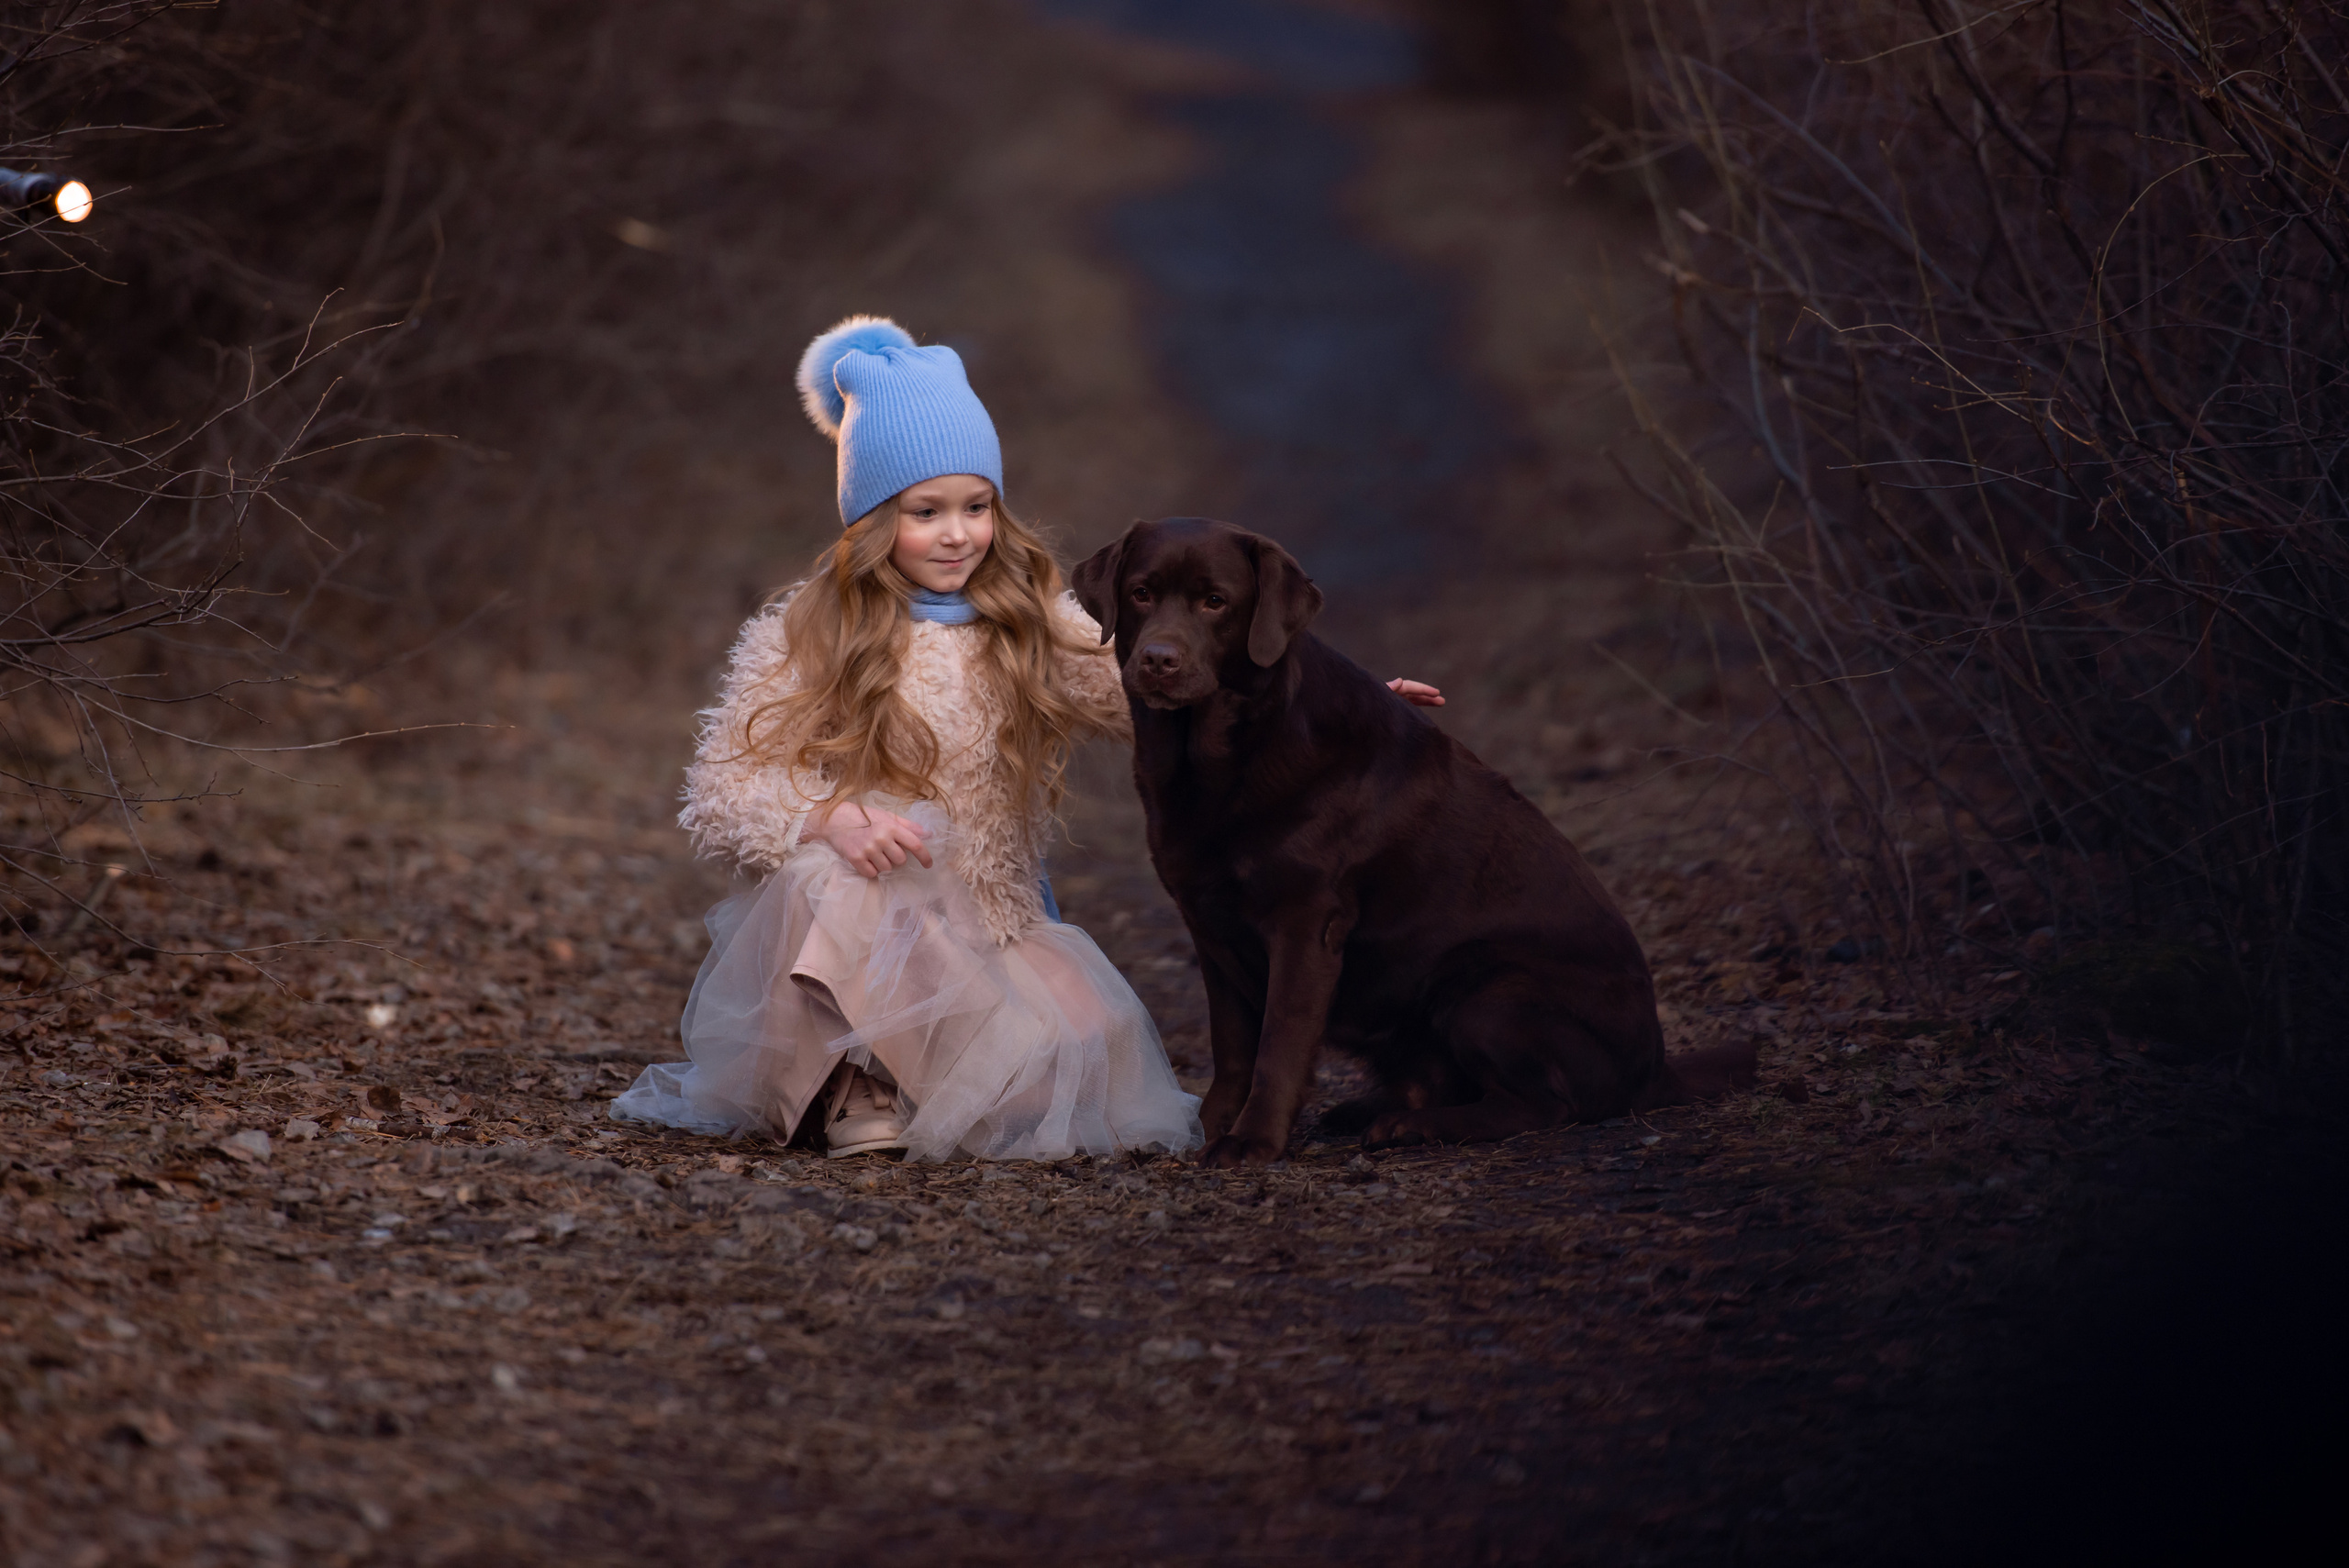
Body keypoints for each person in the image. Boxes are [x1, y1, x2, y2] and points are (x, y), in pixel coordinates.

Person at [611, 315, 1440, 1161]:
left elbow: (1152, 687)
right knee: (840, 870)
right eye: (924, 511)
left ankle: (934, 1070)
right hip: (856, 913)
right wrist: (828, 817)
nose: (957, 533)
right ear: (868, 519)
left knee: (1075, 1075)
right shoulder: (809, 629)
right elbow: (725, 783)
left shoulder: (1030, 622)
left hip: (989, 932)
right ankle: (853, 1076)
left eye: (976, 507)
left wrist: (1343, 698)